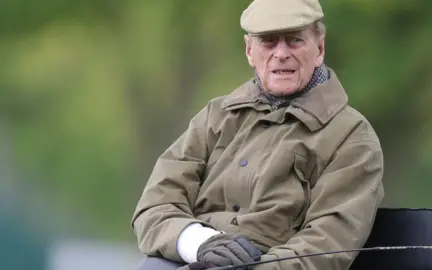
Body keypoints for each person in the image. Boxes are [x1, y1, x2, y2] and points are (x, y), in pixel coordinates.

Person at [131, 0, 385, 269]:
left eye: (295, 41)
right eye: (268, 42)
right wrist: (199, 242)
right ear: (250, 51)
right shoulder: (216, 116)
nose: (281, 53)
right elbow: (154, 206)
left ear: (319, 47)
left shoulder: (352, 138)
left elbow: (326, 245)